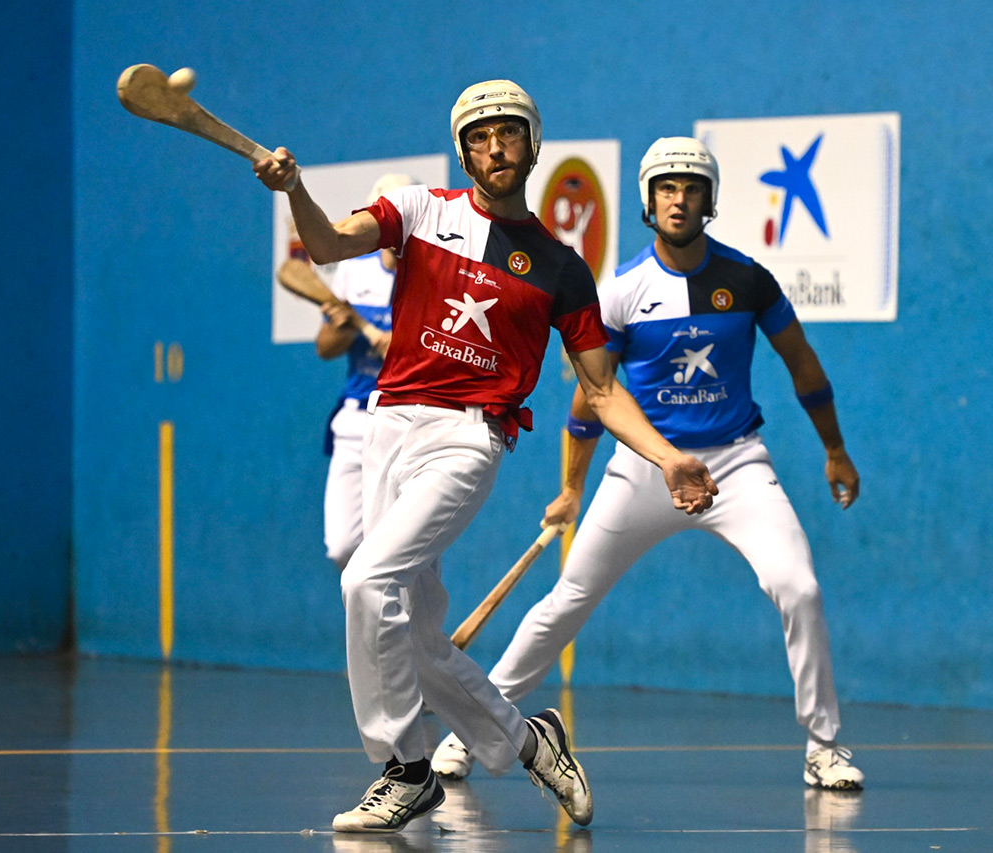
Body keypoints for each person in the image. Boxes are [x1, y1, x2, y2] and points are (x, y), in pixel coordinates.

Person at [253, 85, 719, 833]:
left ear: (533, 146)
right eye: (480, 138)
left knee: (369, 578)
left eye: (509, 135)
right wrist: (296, 193)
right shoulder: (418, 210)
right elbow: (334, 243)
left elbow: (600, 389)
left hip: (471, 436)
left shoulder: (562, 270)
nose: (496, 148)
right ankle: (528, 740)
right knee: (419, 639)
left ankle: (404, 768)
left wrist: (667, 457)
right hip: (389, 425)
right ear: (463, 149)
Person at [430, 136, 865, 791]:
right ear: (648, 201)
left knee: (799, 586)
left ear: (709, 199)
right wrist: (572, 487)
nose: (678, 199)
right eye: (666, 188)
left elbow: (802, 363)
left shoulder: (747, 280)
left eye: (691, 188)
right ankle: (475, 728)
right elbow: (588, 396)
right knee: (567, 601)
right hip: (644, 467)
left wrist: (834, 448)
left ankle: (823, 745)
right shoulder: (625, 291)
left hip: (737, 466)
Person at [280, 174, 417, 569]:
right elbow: (325, 348)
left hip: (409, 422)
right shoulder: (356, 272)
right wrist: (344, 324)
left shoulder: (431, 274)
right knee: (343, 547)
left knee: (398, 554)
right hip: (357, 418)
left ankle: (406, 630)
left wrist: (400, 344)